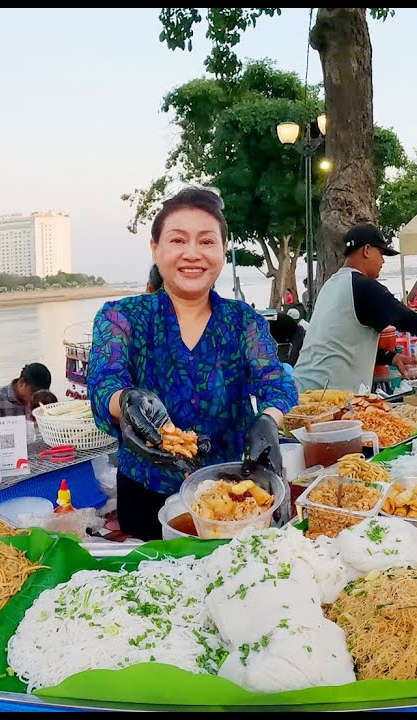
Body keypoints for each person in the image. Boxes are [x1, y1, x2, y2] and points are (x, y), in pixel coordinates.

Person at [87, 186, 297, 540]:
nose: (192, 254)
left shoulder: (243, 320)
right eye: (178, 240)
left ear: (222, 250)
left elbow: (276, 382)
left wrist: (267, 420)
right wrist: (127, 401)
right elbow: (105, 382)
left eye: (206, 241)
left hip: (233, 496)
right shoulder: (120, 316)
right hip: (146, 496)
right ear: (156, 249)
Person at [294, 224, 417, 394]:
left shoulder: (330, 285)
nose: (383, 262)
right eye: (381, 254)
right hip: (328, 395)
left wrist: (392, 358)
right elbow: (412, 321)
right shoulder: (364, 287)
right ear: (366, 250)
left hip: (302, 387)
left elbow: (342, 345)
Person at [0, 363, 53, 432]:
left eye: (40, 393)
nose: (36, 397)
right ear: (21, 383)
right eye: (33, 392)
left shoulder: (44, 398)